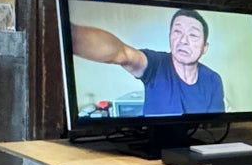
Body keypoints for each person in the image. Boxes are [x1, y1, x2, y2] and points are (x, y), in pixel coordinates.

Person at [71, 7, 224, 117]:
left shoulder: (213, 79)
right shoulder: (156, 64)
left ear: (204, 47)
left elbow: (214, 127)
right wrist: (69, 34)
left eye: (193, 35)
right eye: (177, 31)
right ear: (170, 37)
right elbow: (122, 54)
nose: (183, 40)